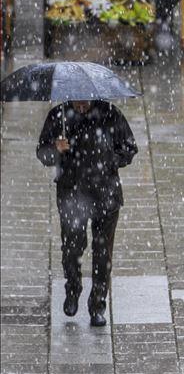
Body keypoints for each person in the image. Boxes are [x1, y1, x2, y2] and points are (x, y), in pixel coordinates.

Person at [37, 100, 138, 326]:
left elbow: (130, 147)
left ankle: (98, 305)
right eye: (77, 101)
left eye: (86, 102)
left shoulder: (110, 114)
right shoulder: (59, 115)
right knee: (72, 247)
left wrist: (109, 159)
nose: (81, 105)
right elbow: (42, 153)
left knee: (103, 253)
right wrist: (55, 149)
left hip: (106, 193)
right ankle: (73, 288)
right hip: (72, 193)